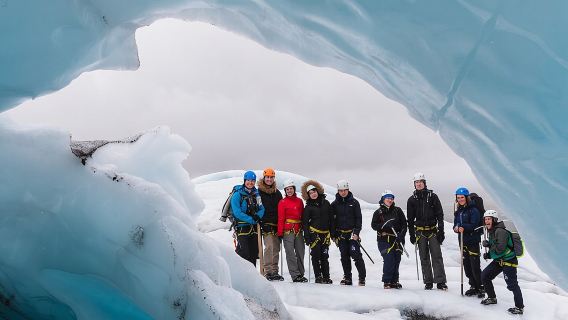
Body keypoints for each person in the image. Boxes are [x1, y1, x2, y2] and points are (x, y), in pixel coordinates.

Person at [406, 172, 448, 290]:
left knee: (436, 256)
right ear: (414, 184)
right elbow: (410, 219)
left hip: (433, 230)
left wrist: (441, 231)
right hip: (420, 232)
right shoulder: (411, 200)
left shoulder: (433, 197)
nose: (418, 184)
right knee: (423, 257)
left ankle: (440, 281)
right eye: (416, 182)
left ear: (424, 183)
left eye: (420, 182)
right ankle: (428, 281)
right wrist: (411, 235)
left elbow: (440, 214)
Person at [480, 210, 524, 315]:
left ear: (494, 220)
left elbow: (500, 249)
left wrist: (489, 250)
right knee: (485, 276)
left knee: (512, 285)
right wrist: (489, 251)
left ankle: (519, 307)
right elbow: (497, 248)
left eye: (489, 219)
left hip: (508, 260)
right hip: (499, 260)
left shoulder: (500, 231)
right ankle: (491, 297)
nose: (487, 221)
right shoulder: (492, 231)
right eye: (485, 219)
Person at [331, 179, 366, 286]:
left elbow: (358, 219)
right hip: (341, 235)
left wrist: (356, 232)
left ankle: (362, 278)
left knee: (356, 255)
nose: (343, 192)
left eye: (345, 190)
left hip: (352, 235)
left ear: (348, 190)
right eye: (341, 190)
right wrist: (334, 235)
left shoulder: (354, 203)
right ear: (338, 191)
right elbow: (332, 221)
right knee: (344, 256)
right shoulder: (334, 204)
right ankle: (347, 277)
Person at [371, 190, 407, 289]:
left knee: (396, 259)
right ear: (383, 199)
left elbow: (404, 224)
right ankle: (387, 281)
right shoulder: (378, 212)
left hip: (397, 239)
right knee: (389, 259)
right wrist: (384, 224)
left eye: (391, 198)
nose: (390, 200)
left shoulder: (398, 210)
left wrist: (401, 235)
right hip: (384, 240)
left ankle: (394, 281)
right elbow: (373, 226)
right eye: (388, 198)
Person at [453, 187, 484, 298]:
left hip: (472, 240)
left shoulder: (473, 210)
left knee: (475, 265)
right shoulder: (459, 211)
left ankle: (480, 287)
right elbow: (455, 224)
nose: (460, 199)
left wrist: (462, 227)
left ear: (467, 198)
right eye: (458, 198)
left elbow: (474, 225)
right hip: (462, 241)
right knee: (466, 265)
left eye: (462, 197)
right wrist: (456, 228)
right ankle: (472, 286)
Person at [301, 180, 334, 284]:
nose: (313, 194)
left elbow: (331, 219)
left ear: (317, 191)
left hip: (325, 235)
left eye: (314, 191)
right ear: (308, 195)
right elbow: (305, 223)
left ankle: (326, 276)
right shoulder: (308, 208)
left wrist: (332, 233)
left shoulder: (326, 203)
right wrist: (307, 237)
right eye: (310, 193)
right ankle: (318, 276)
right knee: (316, 256)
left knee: (325, 256)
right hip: (314, 235)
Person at [231, 170, 265, 266]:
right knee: (244, 253)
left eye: (253, 180)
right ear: (244, 180)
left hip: (254, 229)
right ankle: (241, 275)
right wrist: (252, 219)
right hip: (242, 228)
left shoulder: (256, 194)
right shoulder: (237, 195)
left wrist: (258, 215)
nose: (250, 182)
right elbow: (237, 212)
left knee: (254, 253)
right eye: (248, 180)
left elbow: (262, 208)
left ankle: (252, 277)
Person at [278, 179, 307, 282]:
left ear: (294, 189)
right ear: (285, 191)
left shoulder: (299, 201)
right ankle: (295, 275)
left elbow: (303, 215)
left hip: (298, 229)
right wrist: (280, 232)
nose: (289, 191)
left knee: (300, 252)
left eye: (291, 189)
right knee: (290, 253)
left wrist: (305, 229)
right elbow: (281, 218)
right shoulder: (282, 202)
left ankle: (301, 274)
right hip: (287, 231)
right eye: (287, 189)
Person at [257, 168, 284, 281]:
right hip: (265, 223)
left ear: (274, 178)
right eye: (267, 177)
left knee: (276, 248)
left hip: (276, 224)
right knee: (269, 247)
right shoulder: (258, 192)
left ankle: (275, 271)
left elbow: (281, 209)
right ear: (264, 178)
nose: (269, 179)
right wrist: (262, 222)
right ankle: (268, 271)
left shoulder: (277, 193)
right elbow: (257, 207)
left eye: (271, 177)